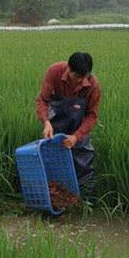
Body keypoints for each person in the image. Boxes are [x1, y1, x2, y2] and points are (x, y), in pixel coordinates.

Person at [35, 52, 101, 199]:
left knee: (84, 161)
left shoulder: (93, 85)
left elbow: (92, 116)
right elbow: (43, 100)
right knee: (51, 158)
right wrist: (46, 123)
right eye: (77, 76)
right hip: (55, 124)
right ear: (68, 69)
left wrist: (76, 136)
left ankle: (83, 200)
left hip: (79, 127)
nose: (80, 81)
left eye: (83, 77)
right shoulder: (54, 72)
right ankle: (52, 196)